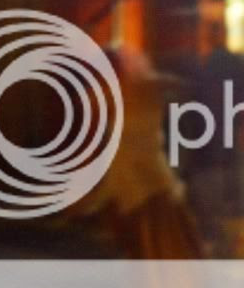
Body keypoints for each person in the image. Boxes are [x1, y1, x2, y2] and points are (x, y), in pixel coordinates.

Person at [77, 49, 202, 259]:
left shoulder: (114, 94)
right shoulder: (140, 89)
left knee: (152, 246)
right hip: (145, 181)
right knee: (163, 246)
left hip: (140, 184)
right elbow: (180, 87)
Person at [188, 17, 244, 257]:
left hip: (216, 121)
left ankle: (222, 217)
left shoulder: (208, 63)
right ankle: (237, 207)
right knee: (234, 164)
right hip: (230, 119)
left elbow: (204, 93)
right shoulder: (235, 61)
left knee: (219, 167)